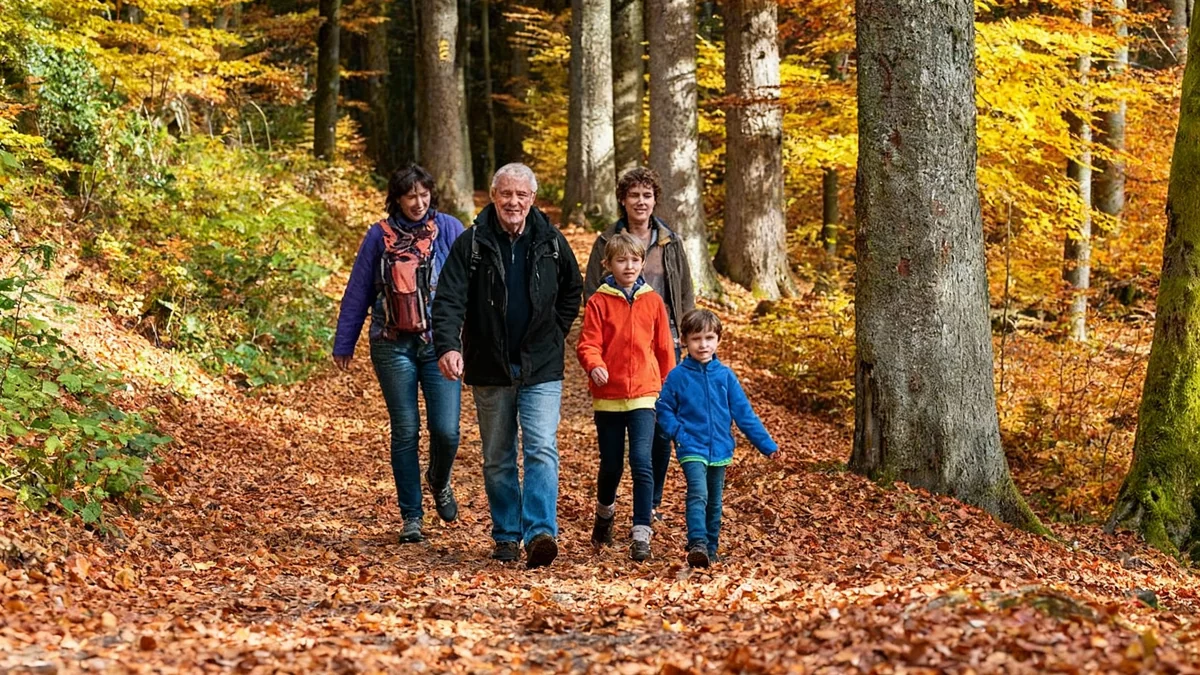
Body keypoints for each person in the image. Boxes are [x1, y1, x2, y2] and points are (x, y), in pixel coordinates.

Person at [431, 162, 583, 569]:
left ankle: (539, 534)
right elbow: (448, 299)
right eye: (505, 194)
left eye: (521, 195)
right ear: (493, 196)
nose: (513, 202)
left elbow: (572, 289)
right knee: (498, 456)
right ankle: (505, 535)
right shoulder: (473, 243)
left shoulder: (551, 240)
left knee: (542, 449)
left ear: (532, 199)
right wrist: (448, 346)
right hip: (489, 365)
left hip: (542, 366)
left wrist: (554, 330)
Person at [333, 164, 466, 544]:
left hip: (439, 342)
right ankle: (411, 516)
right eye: (411, 196)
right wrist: (345, 341)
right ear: (397, 198)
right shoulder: (379, 235)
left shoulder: (451, 230)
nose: (418, 203)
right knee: (405, 430)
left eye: (424, 195)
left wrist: (470, 340)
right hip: (391, 344)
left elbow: (468, 286)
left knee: (447, 430)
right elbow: (359, 288)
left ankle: (438, 480)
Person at [584, 167, 695, 522]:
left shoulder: (669, 242)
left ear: (654, 200)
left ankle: (651, 502)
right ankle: (617, 503)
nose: (641, 202)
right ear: (623, 200)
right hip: (618, 343)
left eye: (647, 195)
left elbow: (685, 292)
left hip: (666, 340)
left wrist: (687, 337)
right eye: (634, 195)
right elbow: (592, 293)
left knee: (662, 429)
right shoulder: (606, 241)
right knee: (618, 447)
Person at [655, 309, 782, 568]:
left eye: (709, 338)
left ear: (718, 341)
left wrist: (768, 446)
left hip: (720, 448)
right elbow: (663, 408)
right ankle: (697, 542)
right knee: (698, 493)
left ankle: (710, 550)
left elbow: (745, 415)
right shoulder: (678, 376)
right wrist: (678, 432)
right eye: (696, 339)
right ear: (684, 342)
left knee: (714, 501)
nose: (703, 344)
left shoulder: (725, 376)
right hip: (691, 445)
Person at [576, 233, 676, 561]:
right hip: (609, 396)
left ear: (642, 263)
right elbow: (588, 344)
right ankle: (604, 514)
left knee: (642, 462)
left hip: (646, 395)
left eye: (634, 260)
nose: (629, 266)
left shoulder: (653, 302)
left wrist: (669, 390)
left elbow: (664, 350)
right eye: (621, 260)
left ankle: (641, 532)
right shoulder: (598, 302)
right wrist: (595, 365)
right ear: (609, 264)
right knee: (612, 465)